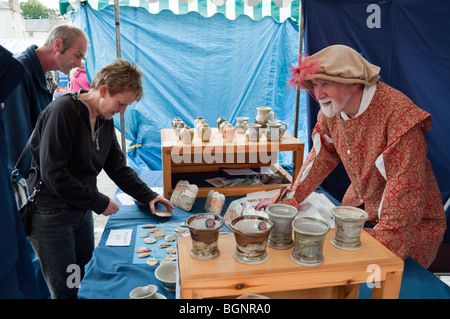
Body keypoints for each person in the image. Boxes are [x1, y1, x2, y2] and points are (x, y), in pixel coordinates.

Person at [256, 45, 446, 269]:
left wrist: (376, 248)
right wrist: (291, 198)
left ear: (354, 83)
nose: (318, 95)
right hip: (360, 211)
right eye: (315, 85)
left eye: (326, 84)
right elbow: (321, 156)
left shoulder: (399, 116)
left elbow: (405, 192)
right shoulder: (332, 112)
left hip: (408, 225)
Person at [27, 59, 174, 299]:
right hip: (52, 216)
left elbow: (117, 167)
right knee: (67, 289)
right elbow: (54, 173)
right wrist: (98, 201)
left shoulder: (105, 119)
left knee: (84, 278)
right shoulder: (64, 111)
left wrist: (148, 195)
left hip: (80, 211)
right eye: (120, 104)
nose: (122, 111)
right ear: (104, 90)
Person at [2, 24, 88, 176]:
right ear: (58, 45)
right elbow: (18, 142)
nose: (78, 64)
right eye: (77, 55)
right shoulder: (20, 73)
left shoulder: (42, 74)